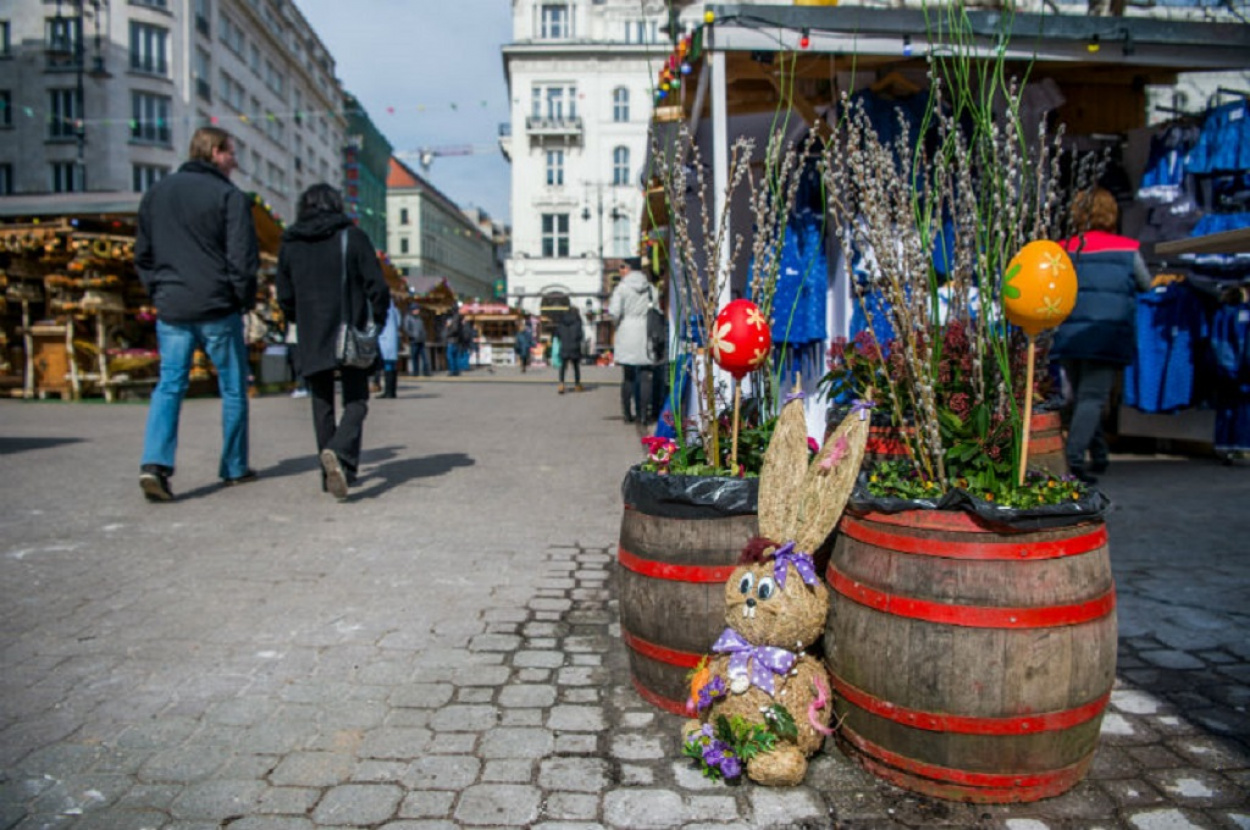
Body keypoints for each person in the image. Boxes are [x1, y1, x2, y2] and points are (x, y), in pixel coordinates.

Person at [134, 126, 260, 502]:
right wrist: (242, 300)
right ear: (215, 152)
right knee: (233, 388)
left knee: (169, 386)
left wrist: (158, 291)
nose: (235, 162)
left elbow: (142, 254)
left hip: (172, 307)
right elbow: (242, 260)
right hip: (217, 306)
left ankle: (155, 464)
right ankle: (234, 465)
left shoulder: (156, 194)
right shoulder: (229, 197)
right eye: (231, 153)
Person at [275, 183, 389, 500]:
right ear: (336, 205)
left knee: (321, 402)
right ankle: (341, 456)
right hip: (348, 330)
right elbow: (377, 285)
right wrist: (377, 319)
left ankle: (331, 473)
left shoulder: (290, 243)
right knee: (356, 401)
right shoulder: (351, 237)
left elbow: (284, 293)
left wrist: (297, 317)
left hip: (311, 333)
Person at [1052, 187, 1152, 484]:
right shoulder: (1127, 248)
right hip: (1107, 331)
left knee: (1079, 397)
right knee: (1092, 398)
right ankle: (1072, 461)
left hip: (1070, 332)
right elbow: (1145, 284)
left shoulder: (1064, 248)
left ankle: (1099, 453)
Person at [608, 257, 658, 422]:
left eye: (623, 267)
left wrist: (618, 324)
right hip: (646, 332)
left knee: (628, 376)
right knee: (645, 376)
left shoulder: (621, 288)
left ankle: (627, 414)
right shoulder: (650, 288)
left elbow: (614, 312)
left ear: (629, 269)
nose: (621, 270)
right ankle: (643, 415)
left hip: (627, 331)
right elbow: (656, 309)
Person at [555, 307, 585, 394]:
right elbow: (580, 335)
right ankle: (577, 385)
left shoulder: (561, 322)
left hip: (564, 346)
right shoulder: (578, 322)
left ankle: (561, 385)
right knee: (576, 367)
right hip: (574, 347)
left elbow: (557, 334)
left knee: (563, 367)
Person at [377, 301, 401, 398]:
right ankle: (392, 391)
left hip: (384, 338)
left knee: (387, 365)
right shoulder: (395, 310)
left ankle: (388, 391)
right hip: (393, 339)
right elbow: (399, 323)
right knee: (391, 365)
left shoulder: (382, 309)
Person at [403, 307, 429, 376]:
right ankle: (415, 372)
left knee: (425, 357)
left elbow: (422, 328)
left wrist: (424, 335)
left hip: (421, 340)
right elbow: (406, 328)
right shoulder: (408, 318)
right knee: (415, 357)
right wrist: (412, 335)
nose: (418, 311)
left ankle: (426, 371)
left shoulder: (419, 318)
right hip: (414, 340)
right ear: (412, 310)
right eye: (416, 309)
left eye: (418, 309)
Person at [444, 309, 463, 377]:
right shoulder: (459, 318)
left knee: (450, 356)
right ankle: (456, 370)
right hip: (457, 340)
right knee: (456, 356)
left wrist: (447, 333)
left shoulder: (453, 319)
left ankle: (452, 371)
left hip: (451, 340)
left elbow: (453, 330)